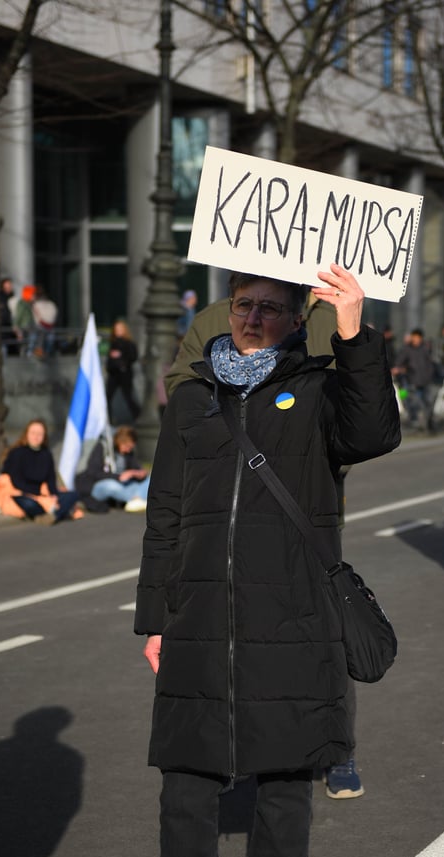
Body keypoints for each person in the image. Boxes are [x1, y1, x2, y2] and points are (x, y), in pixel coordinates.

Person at [133, 263, 400, 857]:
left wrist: (354, 331)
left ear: (295, 320)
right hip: (199, 618)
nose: (253, 318)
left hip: (291, 614)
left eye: (271, 308)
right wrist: (154, 619)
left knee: (284, 777)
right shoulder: (192, 399)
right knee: (186, 779)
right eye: (243, 305)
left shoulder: (315, 389)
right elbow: (164, 513)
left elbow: (374, 430)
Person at [164, 290, 364, 800]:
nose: (254, 317)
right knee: (234, 630)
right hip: (228, 504)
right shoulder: (218, 315)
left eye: (269, 309)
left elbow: (359, 416)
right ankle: (236, 746)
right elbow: (182, 386)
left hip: (303, 505)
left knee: (318, 635)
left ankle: (336, 747)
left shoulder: (332, 310)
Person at [0, 419, 83, 523]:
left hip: (42, 493)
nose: (36, 437)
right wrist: (39, 497)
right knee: (29, 504)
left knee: (73, 495)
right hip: (22, 493)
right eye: (33, 433)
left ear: (44, 436)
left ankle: (52, 516)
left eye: (39, 434)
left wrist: (53, 495)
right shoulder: (17, 453)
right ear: (27, 434)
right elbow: (16, 482)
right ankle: (53, 512)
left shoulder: (46, 454)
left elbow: (51, 479)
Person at [74, 425, 149, 513]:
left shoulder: (128, 453)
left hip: (123, 485)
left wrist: (138, 473)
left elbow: (136, 468)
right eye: (127, 446)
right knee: (111, 486)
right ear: (120, 441)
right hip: (100, 485)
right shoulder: (102, 447)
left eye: (131, 448)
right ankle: (136, 499)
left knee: (149, 480)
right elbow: (93, 473)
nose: (128, 450)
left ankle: (136, 500)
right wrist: (118, 477)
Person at [392, 328, 437, 431]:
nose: (415, 339)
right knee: (415, 403)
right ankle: (417, 422)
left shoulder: (425, 349)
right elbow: (399, 362)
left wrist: (429, 375)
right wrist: (400, 369)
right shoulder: (407, 349)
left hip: (425, 381)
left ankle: (428, 423)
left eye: (417, 337)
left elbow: (430, 363)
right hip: (413, 381)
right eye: (414, 337)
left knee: (428, 403)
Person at [105, 318, 140, 422]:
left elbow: (133, 356)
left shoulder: (129, 343)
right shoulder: (113, 343)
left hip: (125, 374)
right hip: (113, 373)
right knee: (107, 397)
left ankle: (137, 416)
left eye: (120, 329)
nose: (118, 331)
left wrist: (121, 358)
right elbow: (109, 359)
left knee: (128, 397)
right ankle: (108, 419)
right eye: (116, 329)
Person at [32, 285, 59, 358]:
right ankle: (37, 352)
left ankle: (45, 353)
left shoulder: (49, 304)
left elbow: (53, 315)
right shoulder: (36, 304)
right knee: (38, 336)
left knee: (48, 339)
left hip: (47, 326)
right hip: (41, 327)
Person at [13, 285, 38, 357]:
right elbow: (19, 315)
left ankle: (29, 352)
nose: (34, 296)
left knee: (31, 339)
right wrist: (16, 325)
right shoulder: (22, 303)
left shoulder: (30, 304)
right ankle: (29, 353)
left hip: (29, 325)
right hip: (25, 325)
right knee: (32, 337)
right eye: (33, 294)